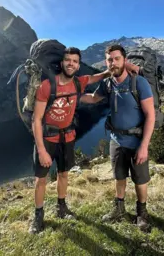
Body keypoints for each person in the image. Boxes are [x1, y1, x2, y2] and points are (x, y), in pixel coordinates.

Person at [29, 47, 111, 234]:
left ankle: (62, 207)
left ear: (78, 65)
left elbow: (93, 79)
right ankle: (38, 216)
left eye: (75, 61)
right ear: (61, 63)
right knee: (40, 179)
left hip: (68, 138)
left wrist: (108, 72)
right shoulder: (47, 86)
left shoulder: (78, 83)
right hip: (48, 139)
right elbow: (36, 119)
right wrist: (41, 150)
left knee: (63, 174)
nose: (71, 64)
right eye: (68, 60)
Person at [80, 44, 155, 232]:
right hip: (116, 140)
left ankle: (141, 214)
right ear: (106, 62)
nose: (113, 63)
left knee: (140, 180)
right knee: (119, 177)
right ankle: (119, 209)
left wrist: (144, 146)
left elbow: (150, 115)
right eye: (109, 60)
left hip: (136, 141)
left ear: (124, 60)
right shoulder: (108, 84)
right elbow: (93, 98)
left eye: (116, 59)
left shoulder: (139, 83)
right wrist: (71, 96)